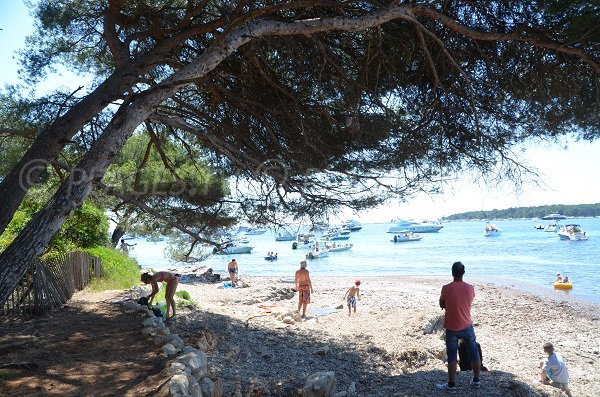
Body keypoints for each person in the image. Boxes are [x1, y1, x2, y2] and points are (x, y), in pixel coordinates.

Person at [436, 261, 481, 393]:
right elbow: (468, 301)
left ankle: (451, 385)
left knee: (452, 356)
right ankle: (476, 380)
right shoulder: (470, 288)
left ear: (452, 273)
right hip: (467, 325)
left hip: (451, 327)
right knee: (474, 353)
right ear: (463, 273)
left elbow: (441, 304)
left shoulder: (446, 288)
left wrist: (446, 304)